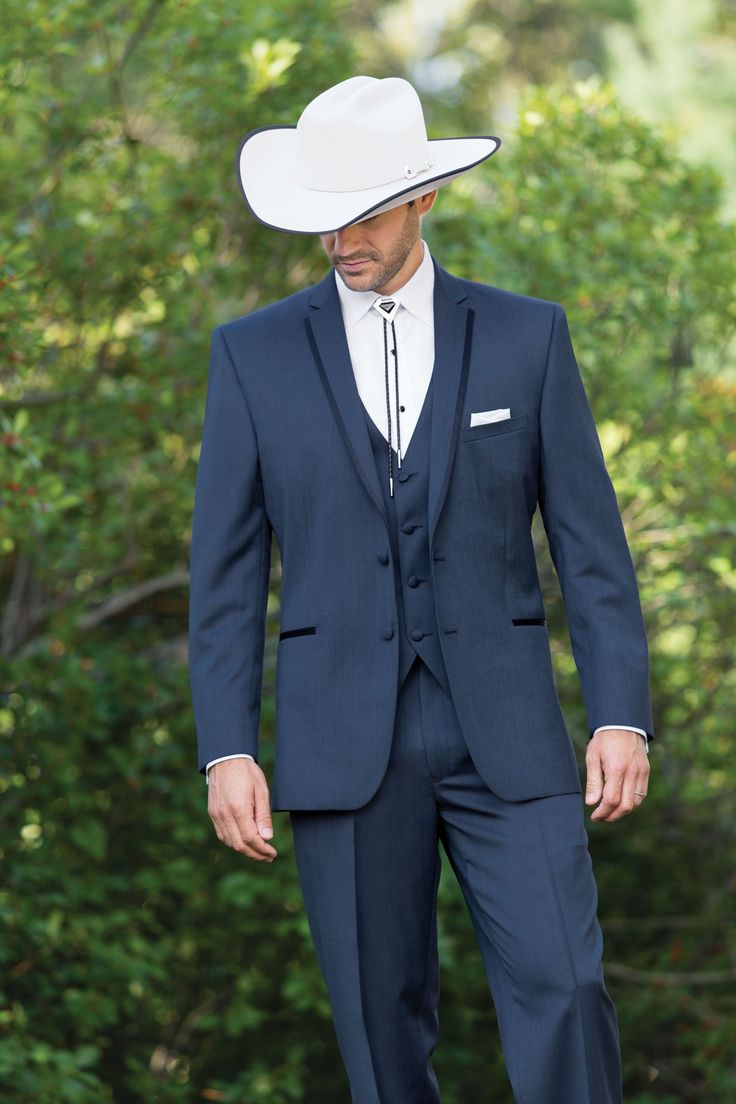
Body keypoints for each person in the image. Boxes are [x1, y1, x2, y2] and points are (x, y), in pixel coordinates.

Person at [188, 74, 654, 1104]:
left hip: (509, 733)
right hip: (338, 739)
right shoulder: (251, 356)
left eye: (362, 213)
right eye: (324, 219)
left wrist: (622, 716)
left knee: (569, 988)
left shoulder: (526, 338)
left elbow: (590, 548)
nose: (340, 238)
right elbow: (223, 574)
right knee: (377, 1025)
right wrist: (226, 745)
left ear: (423, 199)